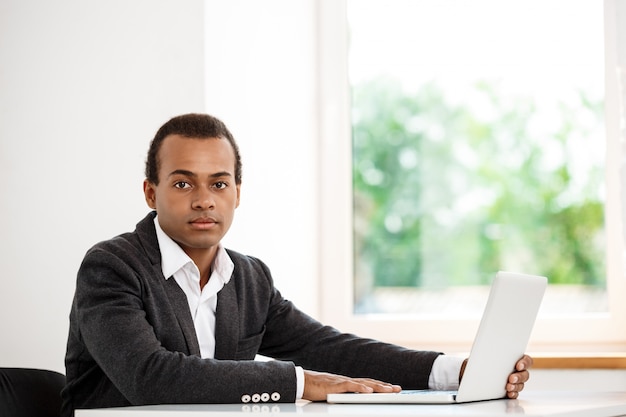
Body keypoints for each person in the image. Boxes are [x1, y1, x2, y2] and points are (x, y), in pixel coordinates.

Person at [61, 113, 532, 416]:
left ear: (238, 194)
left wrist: (453, 371)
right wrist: (303, 383)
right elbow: (149, 377)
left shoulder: (248, 277)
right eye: (184, 184)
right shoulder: (111, 267)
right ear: (151, 192)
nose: (204, 200)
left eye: (219, 184)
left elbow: (328, 348)